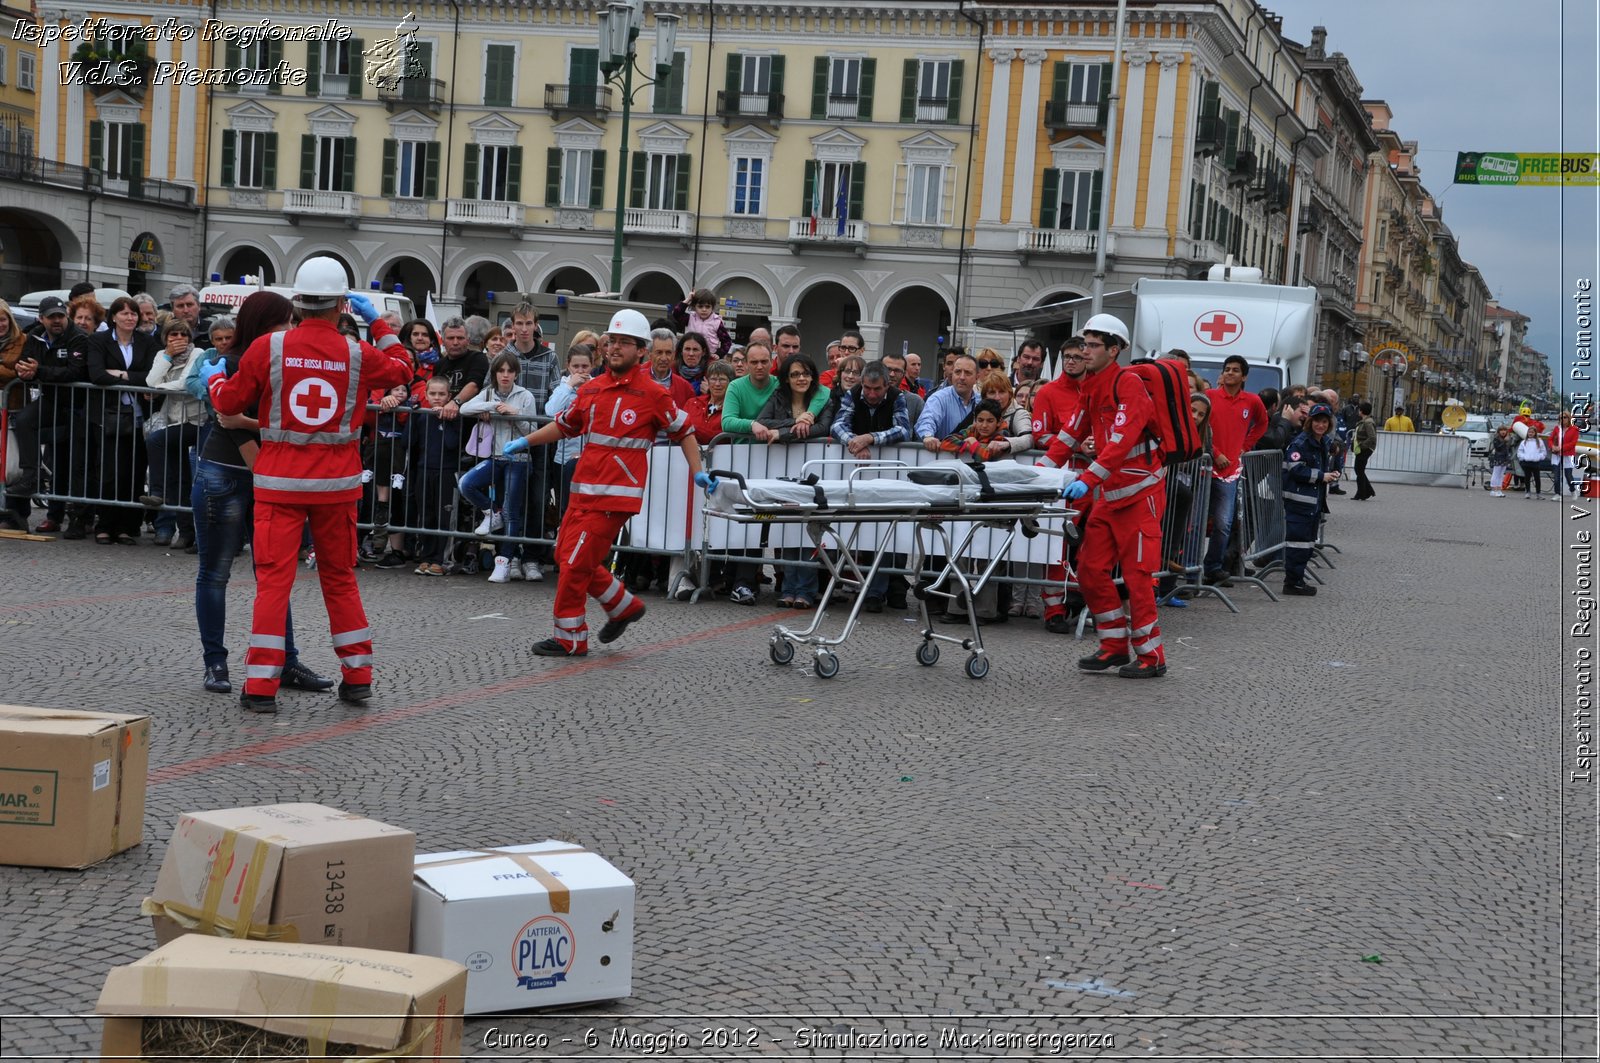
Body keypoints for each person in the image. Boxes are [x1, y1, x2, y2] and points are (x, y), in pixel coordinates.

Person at [199, 256, 411, 713]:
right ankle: (358, 677)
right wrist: (379, 325)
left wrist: (215, 376)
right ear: (340, 304)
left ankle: (260, 687)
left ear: (297, 301)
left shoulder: (269, 348)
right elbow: (402, 368)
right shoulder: (357, 353)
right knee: (340, 578)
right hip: (337, 487)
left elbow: (229, 400)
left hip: (279, 485)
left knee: (273, 583)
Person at [505, 308, 712, 657]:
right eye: (611, 341)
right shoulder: (593, 388)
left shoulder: (652, 394)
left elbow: (685, 431)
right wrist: (526, 441)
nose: (615, 347)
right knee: (566, 555)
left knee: (572, 563)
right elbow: (566, 425)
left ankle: (571, 638)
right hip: (583, 491)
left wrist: (697, 471)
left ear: (641, 350)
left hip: (614, 499)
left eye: (624, 343)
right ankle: (623, 605)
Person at [187, 290, 337, 698]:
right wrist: (259, 447)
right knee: (215, 573)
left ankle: (284, 661)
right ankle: (215, 662)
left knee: (273, 576)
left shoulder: (278, 359)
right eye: (284, 322)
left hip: (264, 474)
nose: (291, 329)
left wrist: (251, 425)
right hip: (229, 472)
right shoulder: (236, 360)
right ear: (264, 323)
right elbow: (228, 421)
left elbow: (249, 417)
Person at [1061, 314, 1168, 679]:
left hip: (1140, 495)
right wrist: (1034, 475)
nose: (1084, 351)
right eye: (1084, 344)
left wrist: (1088, 479)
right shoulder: (1091, 385)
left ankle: (1152, 656)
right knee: (1090, 569)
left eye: (1093, 345)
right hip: (1110, 495)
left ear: (1114, 349)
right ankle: (1113, 646)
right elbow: (1069, 435)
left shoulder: (1129, 385)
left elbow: (1121, 441)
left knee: (1139, 578)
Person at [7, 296, 91, 535]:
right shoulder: (34, 335)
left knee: (73, 464)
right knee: (24, 420)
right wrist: (24, 372)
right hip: (50, 401)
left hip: (77, 406)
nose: (57, 321)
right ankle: (32, 475)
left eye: (60, 316)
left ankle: (77, 518)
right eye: (51, 317)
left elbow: (74, 372)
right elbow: (25, 363)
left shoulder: (78, 338)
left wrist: (39, 371)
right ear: (41, 318)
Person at [756, 355, 830, 609]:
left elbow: (822, 427)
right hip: (783, 473)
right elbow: (763, 422)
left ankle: (806, 591)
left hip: (814, 474)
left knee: (809, 532)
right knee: (788, 528)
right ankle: (788, 588)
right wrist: (793, 423)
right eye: (796, 374)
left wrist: (784, 434)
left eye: (806, 374)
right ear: (787, 378)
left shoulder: (822, 398)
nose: (801, 379)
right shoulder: (778, 397)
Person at [86, 295, 160, 545]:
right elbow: (96, 374)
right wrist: (132, 379)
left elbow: (150, 376)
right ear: (114, 316)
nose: (130, 317)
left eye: (133, 313)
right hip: (108, 416)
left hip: (138, 416)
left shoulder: (147, 342)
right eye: (124, 313)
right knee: (109, 471)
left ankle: (128, 526)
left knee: (135, 472)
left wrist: (121, 374)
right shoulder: (99, 340)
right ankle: (105, 524)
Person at [459, 352, 539, 583]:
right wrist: (493, 406)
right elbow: (464, 409)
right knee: (466, 484)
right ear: (494, 373)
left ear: (516, 373)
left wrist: (515, 415)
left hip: (519, 458)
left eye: (510, 371)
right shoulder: (488, 392)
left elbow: (533, 432)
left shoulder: (525, 396)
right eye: (501, 370)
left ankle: (503, 562)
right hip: (495, 456)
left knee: (512, 512)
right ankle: (492, 513)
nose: (505, 375)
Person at [1031, 336, 1092, 634]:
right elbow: (1040, 436)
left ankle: (1082, 597)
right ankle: (1053, 608)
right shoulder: (1049, 393)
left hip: (1097, 479)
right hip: (1062, 478)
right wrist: (1079, 446)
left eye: (1077, 357)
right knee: (1058, 542)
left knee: (1090, 544)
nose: (1071, 361)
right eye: (1066, 356)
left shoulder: (1099, 391)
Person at [1202, 354, 1268, 587]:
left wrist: (1245, 446)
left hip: (1229, 472)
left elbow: (1262, 424)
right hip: (1204, 467)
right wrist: (1215, 451)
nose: (1230, 373)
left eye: (1235, 370)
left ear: (1244, 376)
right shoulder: (1208, 397)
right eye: (1227, 369)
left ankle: (1212, 567)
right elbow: (1199, 427)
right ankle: (1189, 571)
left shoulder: (1252, 401)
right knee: (1196, 523)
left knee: (1223, 523)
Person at [144, 318, 208, 548]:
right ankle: (184, 532)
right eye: (173, 335)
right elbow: (151, 379)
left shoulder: (197, 353)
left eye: (183, 335)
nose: (179, 339)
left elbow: (184, 384)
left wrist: (157, 389)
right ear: (165, 338)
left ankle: (157, 491)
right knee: (179, 477)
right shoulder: (162, 355)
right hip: (172, 419)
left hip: (195, 420)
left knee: (155, 440)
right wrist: (167, 357)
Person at [1280, 403, 1338, 596]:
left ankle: (1297, 579)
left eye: (1324, 422)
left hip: (1312, 502)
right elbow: (1295, 468)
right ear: (1310, 422)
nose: (1320, 425)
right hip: (1299, 502)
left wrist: (1328, 474)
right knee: (1298, 543)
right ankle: (1292, 582)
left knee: (1307, 543)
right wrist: (1322, 476)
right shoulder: (1301, 443)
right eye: (1317, 421)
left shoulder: (1321, 442)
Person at [406, 375, 461, 576]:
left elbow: (452, 444)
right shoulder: (422, 415)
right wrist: (413, 416)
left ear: (449, 396)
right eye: (433, 394)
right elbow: (408, 442)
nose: (437, 398)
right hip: (423, 470)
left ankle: (441, 559)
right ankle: (427, 556)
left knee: (444, 516)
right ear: (426, 395)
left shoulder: (454, 418)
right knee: (426, 513)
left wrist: (445, 420)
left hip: (446, 471)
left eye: (441, 394)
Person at [546, 343, 595, 517]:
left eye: (585, 366)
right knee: (565, 507)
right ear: (568, 366)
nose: (580, 371)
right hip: (564, 458)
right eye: (575, 366)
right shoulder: (562, 387)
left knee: (588, 509)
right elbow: (551, 412)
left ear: (592, 365)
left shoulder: (598, 387)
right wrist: (569, 387)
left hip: (591, 459)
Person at [915, 351, 980, 448]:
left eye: (967, 373)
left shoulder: (981, 401)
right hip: (944, 460)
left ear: (977, 377)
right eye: (957, 372)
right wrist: (928, 436)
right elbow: (928, 419)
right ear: (952, 374)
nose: (962, 377)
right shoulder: (938, 398)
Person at [669, 288, 732, 360]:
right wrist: (688, 300)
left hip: (709, 358)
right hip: (691, 355)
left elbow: (727, 341)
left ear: (712, 307)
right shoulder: (690, 318)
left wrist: (718, 354)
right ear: (694, 306)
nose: (704, 309)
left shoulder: (717, 322)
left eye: (707, 306)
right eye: (700, 306)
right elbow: (676, 313)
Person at [1352, 401, 1378, 500]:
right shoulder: (1364, 421)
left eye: (1359, 409)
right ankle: (1367, 491)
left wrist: (1362, 445)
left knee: (1359, 470)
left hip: (1365, 449)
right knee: (1359, 470)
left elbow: (1372, 437)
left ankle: (1362, 492)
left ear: (1361, 411)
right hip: (1362, 448)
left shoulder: (1368, 422)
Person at [1550, 411, 1581, 497]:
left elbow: (1573, 443)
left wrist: (1562, 448)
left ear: (1569, 418)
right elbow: (1551, 439)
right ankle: (1557, 493)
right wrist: (1552, 446)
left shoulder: (1574, 429)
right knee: (1556, 476)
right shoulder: (1557, 428)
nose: (1562, 419)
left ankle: (1572, 490)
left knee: (1568, 476)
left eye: (1564, 417)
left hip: (1568, 454)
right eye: (1561, 418)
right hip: (1556, 454)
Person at [1517, 429, 1549, 499]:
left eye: (1532, 432)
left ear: (1535, 433)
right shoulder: (1524, 442)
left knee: (1537, 478)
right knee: (1527, 478)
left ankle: (1538, 493)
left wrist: (1539, 457)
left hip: (1535, 462)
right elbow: (1520, 451)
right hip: (1526, 462)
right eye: (1529, 432)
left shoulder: (1539, 442)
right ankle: (1528, 492)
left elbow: (1543, 452)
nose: (1530, 434)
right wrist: (1523, 457)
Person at [1488, 425, 1515, 498]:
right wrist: (1504, 441)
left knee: (1501, 474)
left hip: (1505, 458)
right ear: (1498, 431)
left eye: (1504, 430)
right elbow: (1498, 447)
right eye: (1501, 430)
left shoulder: (1508, 438)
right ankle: (1493, 489)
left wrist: (1509, 440)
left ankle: (1499, 489)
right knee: (1496, 473)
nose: (1503, 432)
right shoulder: (1496, 438)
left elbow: (1510, 447)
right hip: (1498, 458)